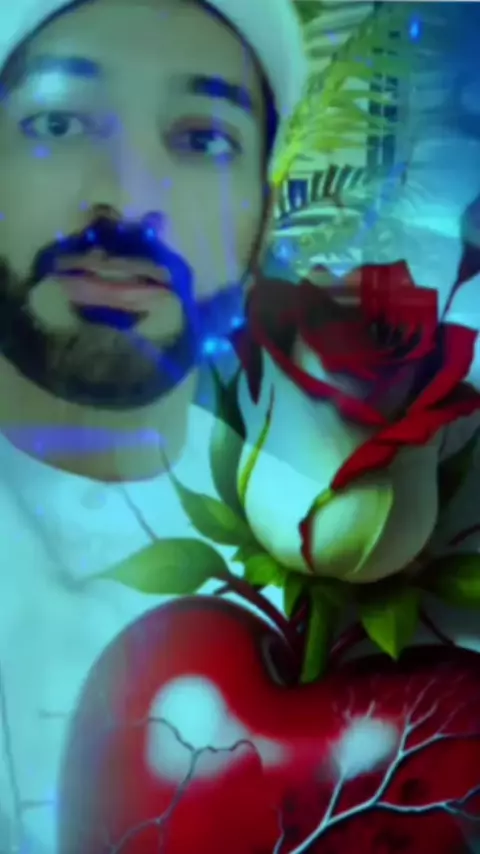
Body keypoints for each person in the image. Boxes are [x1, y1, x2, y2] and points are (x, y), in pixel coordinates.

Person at [0, 1, 307, 851]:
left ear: (262, 223)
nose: (129, 200)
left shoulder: (325, 566)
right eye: (58, 123)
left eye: (203, 138)